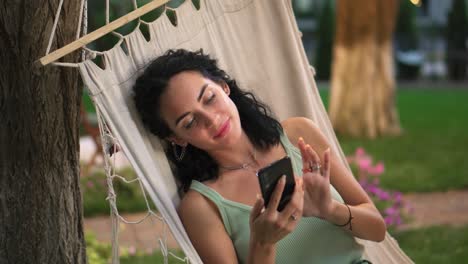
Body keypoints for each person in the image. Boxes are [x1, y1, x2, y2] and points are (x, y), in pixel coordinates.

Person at [133, 49, 386, 264]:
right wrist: (263, 243)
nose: (212, 119)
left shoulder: (299, 134)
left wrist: (330, 210)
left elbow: (377, 230)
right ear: (177, 138)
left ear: (224, 86)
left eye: (209, 98)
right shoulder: (201, 206)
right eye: (189, 122)